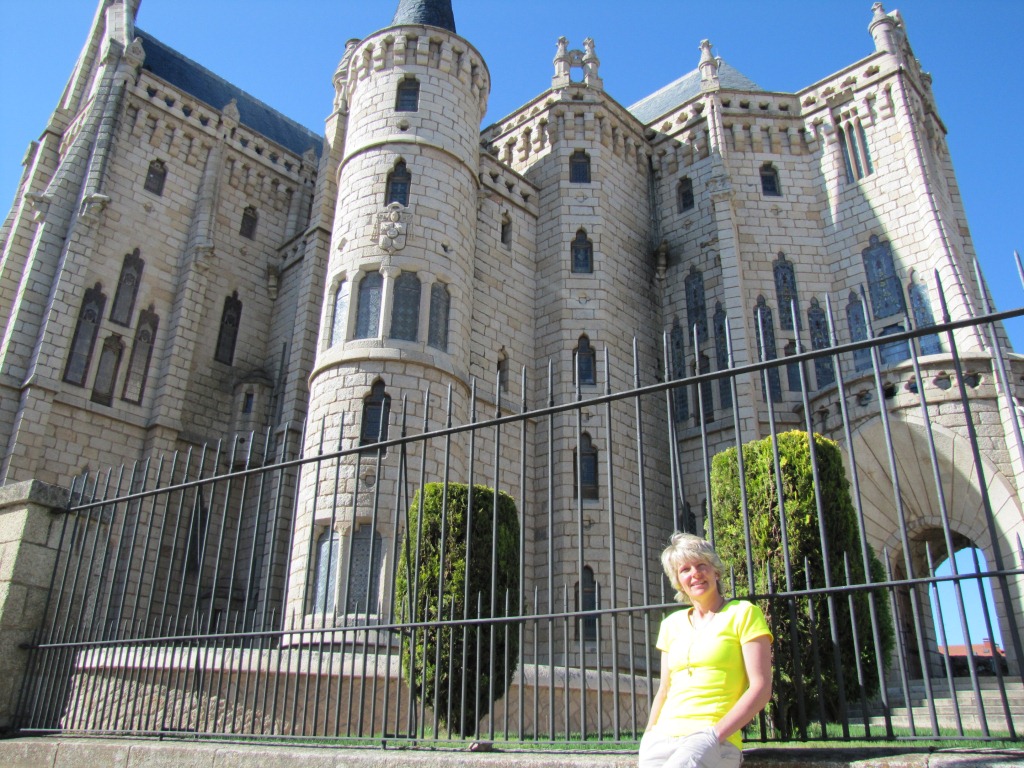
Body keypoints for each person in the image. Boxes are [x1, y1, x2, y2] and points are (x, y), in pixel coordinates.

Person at [639, 533, 772, 768]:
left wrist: (713, 735)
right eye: (685, 570)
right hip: (660, 740)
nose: (695, 574)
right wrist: (649, 734)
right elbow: (665, 689)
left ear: (715, 571)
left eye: (702, 565)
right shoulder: (671, 624)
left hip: (713, 739)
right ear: (678, 581)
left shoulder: (743, 613)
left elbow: (761, 688)